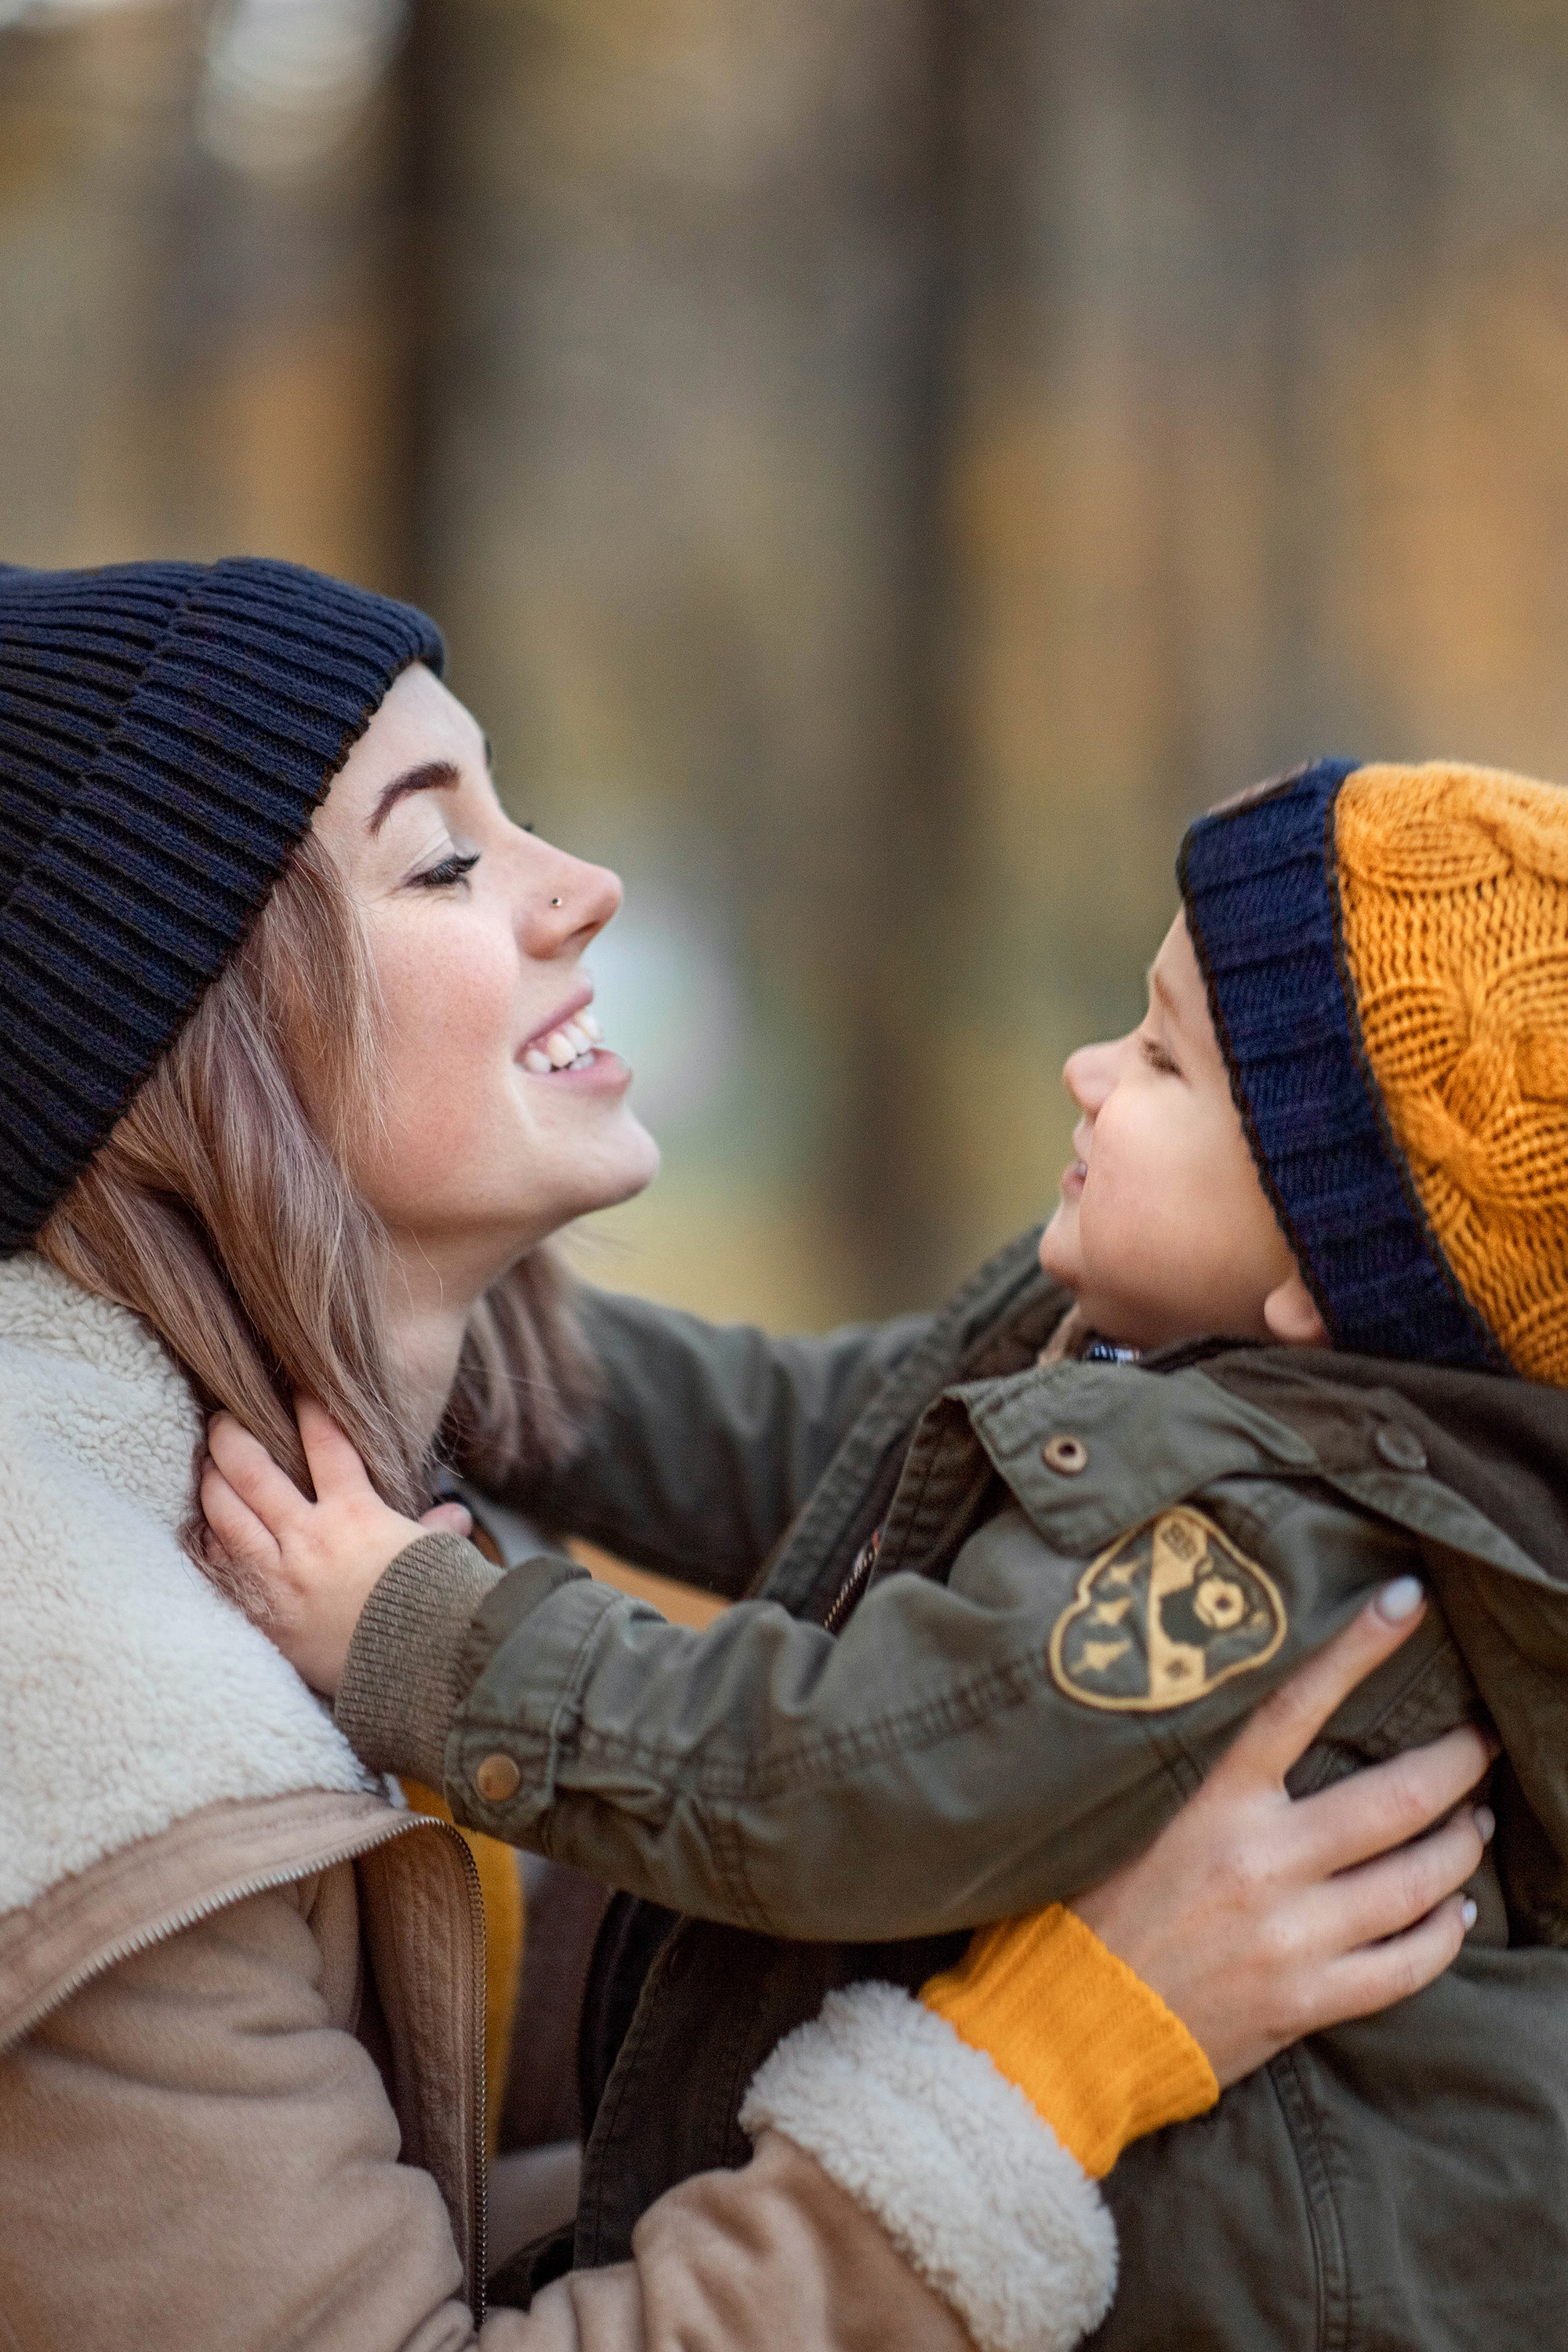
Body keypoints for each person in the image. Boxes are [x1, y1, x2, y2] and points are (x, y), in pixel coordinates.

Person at [0, 561, 1485, 2352]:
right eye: (448, 856)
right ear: (195, 1050)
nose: (586, 886)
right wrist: (1055, 2057)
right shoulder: (93, 1724)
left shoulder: (306, 1523)